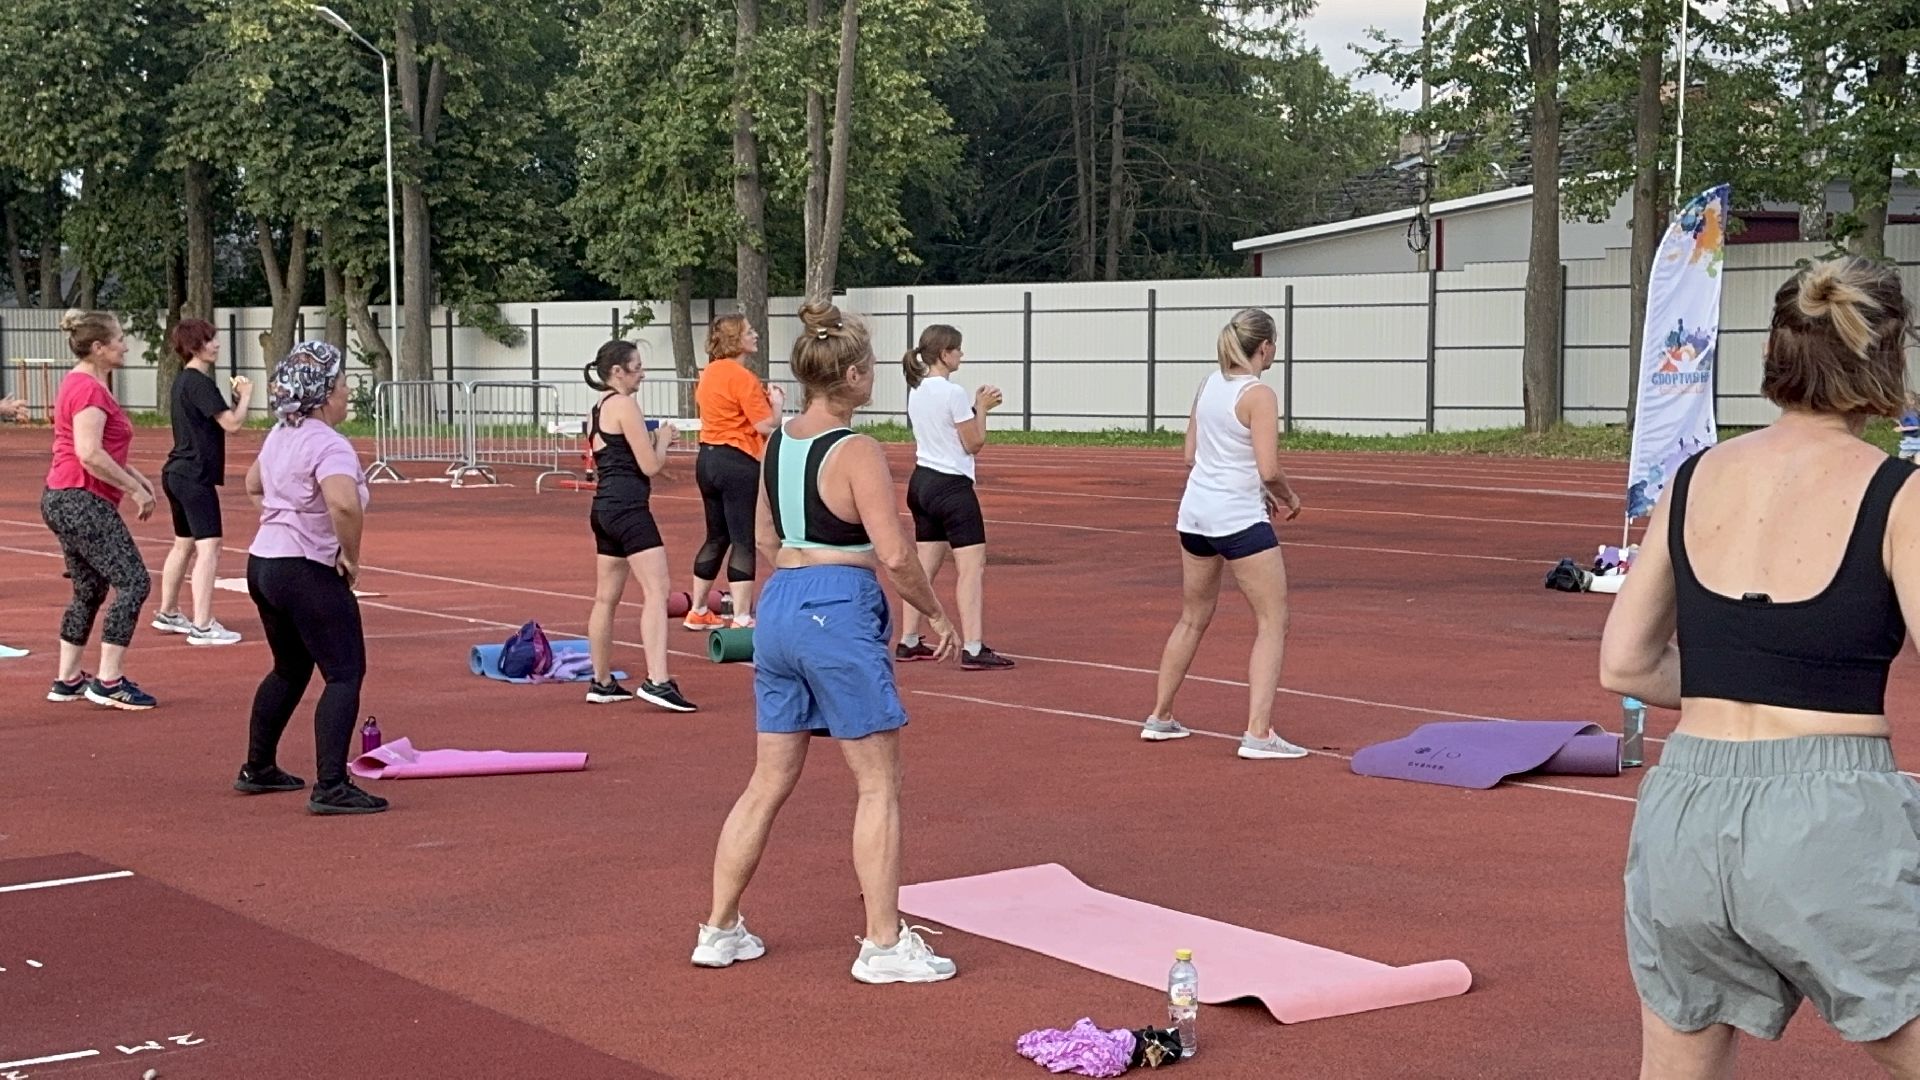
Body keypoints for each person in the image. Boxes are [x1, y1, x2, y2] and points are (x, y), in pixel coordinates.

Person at [1600, 257, 1920, 1076]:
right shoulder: (1899, 494)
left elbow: (1627, 665)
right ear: (1889, 355)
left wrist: (1731, 680)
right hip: (1829, 812)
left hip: (1683, 812)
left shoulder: (1695, 476)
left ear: (1776, 355)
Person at [694, 301, 961, 984]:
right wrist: (934, 614)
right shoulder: (856, 450)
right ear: (850, 377)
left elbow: (761, 537)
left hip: (780, 604)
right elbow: (896, 552)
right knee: (879, 782)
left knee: (767, 781)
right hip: (835, 607)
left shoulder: (777, 441)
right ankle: (881, 943)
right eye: (869, 367)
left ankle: (719, 928)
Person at [1140, 308, 1306, 759]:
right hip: (1237, 520)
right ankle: (1258, 733)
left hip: (1195, 517)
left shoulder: (1209, 384)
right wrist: (1288, 496)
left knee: (1192, 617)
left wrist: (1248, 481)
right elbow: (1269, 468)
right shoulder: (1259, 395)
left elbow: (1189, 455)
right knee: (1273, 621)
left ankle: (1160, 716)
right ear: (1266, 347)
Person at [238, 341, 385, 814]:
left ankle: (258, 767)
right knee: (344, 673)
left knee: (289, 667)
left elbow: (253, 485)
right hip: (306, 568)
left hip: (264, 563)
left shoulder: (281, 433)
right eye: (343, 385)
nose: (347, 393)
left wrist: (280, 518)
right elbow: (342, 503)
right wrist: (350, 555)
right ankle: (331, 785)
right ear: (324, 395)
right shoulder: (328, 443)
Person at [40, 309, 157, 710]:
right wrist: (134, 491)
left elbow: (100, 450)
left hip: (63, 495)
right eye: (119, 338)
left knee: (90, 588)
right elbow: (89, 453)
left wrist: (137, 479)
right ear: (98, 347)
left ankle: (68, 678)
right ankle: (109, 680)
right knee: (134, 582)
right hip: (80, 497)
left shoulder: (78, 383)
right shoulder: (89, 390)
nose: (125, 345)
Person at [581, 340, 696, 712]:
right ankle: (658, 681)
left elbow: (620, 457)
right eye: (637, 366)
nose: (643, 372)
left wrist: (652, 444)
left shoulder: (596, 409)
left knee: (605, 598)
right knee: (656, 590)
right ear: (618, 371)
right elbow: (649, 466)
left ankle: (600, 681)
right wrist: (663, 441)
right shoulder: (625, 405)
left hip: (604, 509)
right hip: (629, 509)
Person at [894, 324, 1013, 670]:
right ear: (945, 354)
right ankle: (974, 648)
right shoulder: (953, 393)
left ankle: (909, 639)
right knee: (971, 568)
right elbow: (973, 442)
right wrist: (983, 408)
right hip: (951, 488)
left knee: (924, 568)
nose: (962, 354)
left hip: (922, 482)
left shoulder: (915, 389)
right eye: (958, 349)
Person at [152, 318, 252, 645]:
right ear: (196, 345)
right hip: (194, 475)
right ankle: (203, 624)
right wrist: (246, 396)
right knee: (210, 547)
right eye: (210, 340)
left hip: (177, 471)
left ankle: (168, 612)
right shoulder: (200, 382)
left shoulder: (183, 381)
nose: (217, 344)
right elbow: (232, 424)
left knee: (184, 543)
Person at [684, 314, 783, 631]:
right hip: (737, 461)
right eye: (749, 331)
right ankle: (741, 616)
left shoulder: (709, 372)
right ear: (736, 340)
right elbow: (766, 426)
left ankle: (698, 609)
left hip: (707, 458)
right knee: (743, 538)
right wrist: (777, 404)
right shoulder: (743, 377)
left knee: (716, 535)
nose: (755, 335)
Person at [1896, 391, 1920, 463]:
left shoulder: (1912, 414)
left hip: (1914, 440)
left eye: (1905, 399)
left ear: (1912, 401)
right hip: (1912, 439)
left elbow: (1916, 426)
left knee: (1902, 457)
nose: (1903, 401)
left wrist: (1902, 428)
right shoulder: (1907, 413)